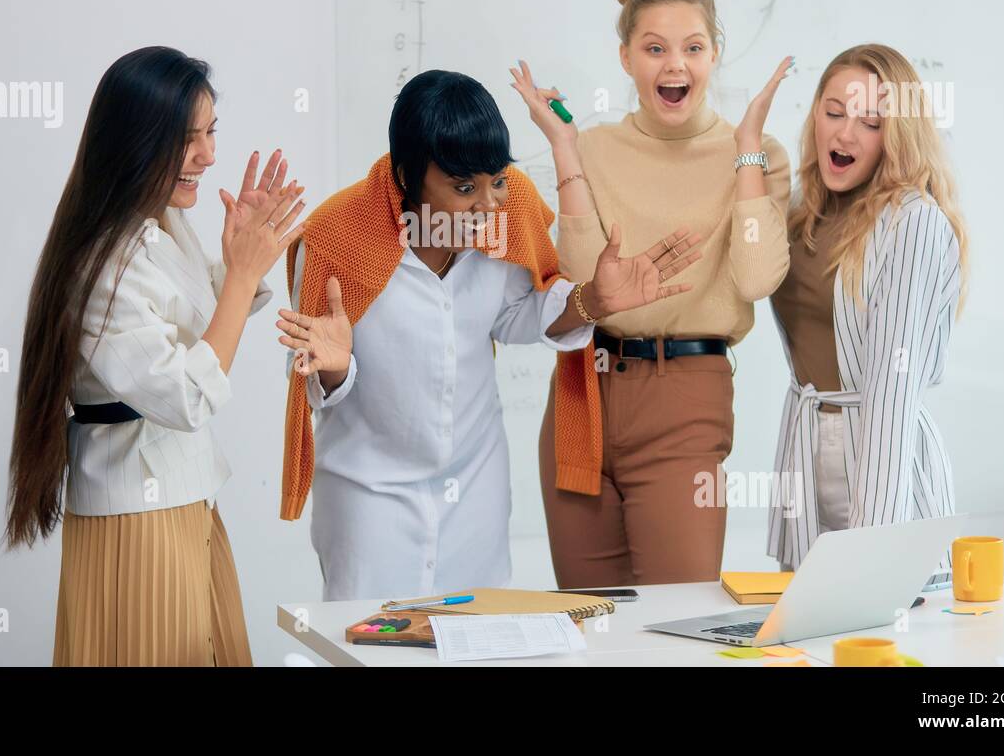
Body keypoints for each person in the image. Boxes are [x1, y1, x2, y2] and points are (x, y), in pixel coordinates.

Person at [274, 69, 702, 600]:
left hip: (473, 488)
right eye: (463, 188)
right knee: (376, 647)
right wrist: (336, 366)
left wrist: (592, 301)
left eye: (497, 180)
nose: (489, 204)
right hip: (370, 497)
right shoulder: (337, 239)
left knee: (478, 642)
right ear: (408, 176)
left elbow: (519, 315)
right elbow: (315, 383)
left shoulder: (507, 209)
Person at [4, 46, 305, 665]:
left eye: (210, 131)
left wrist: (241, 257)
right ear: (136, 141)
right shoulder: (106, 263)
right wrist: (243, 275)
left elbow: (185, 317)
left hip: (180, 498)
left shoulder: (159, 223)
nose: (208, 155)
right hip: (140, 517)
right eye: (186, 138)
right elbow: (187, 395)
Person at [513, 0, 793, 587]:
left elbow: (754, 278)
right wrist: (563, 149)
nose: (675, 65)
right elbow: (586, 288)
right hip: (582, 394)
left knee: (679, 624)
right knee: (593, 627)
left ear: (714, 54)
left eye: (693, 48)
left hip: (685, 397)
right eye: (655, 48)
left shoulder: (758, 154)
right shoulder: (592, 148)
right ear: (625, 58)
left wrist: (745, 147)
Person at [767, 43, 967, 570]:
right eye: (833, 112)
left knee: (880, 640)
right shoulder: (800, 210)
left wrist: (872, 552)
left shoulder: (911, 223)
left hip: (883, 466)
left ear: (897, 136)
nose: (844, 134)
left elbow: (892, 396)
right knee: (806, 641)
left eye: (870, 122)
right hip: (808, 450)